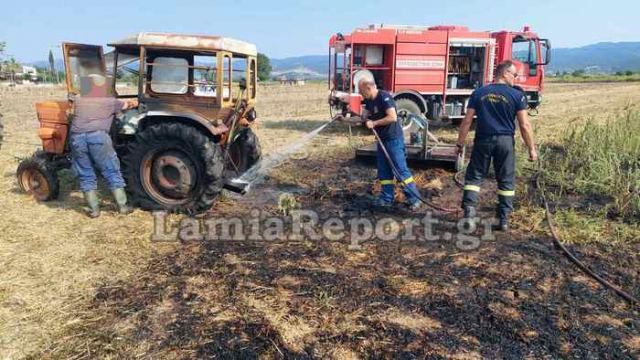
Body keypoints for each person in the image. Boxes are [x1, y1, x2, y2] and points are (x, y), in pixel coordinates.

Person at [456, 60, 538, 231]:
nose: (515, 79)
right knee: (506, 179)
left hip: (483, 140)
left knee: (474, 176)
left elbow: (467, 121)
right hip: (505, 142)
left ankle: (469, 215)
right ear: (504, 73)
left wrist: (460, 143)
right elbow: (524, 125)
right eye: (514, 75)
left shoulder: (479, 93)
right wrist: (531, 148)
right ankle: (503, 220)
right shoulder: (517, 96)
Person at [335, 78, 422, 210]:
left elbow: (392, 117)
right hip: (382, 141)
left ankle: (414, 199)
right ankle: (387, 198)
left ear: (369, 88)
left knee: (400, 170)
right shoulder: (370, 101)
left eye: (361, 91)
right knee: (384, 171)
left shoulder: (384, 97)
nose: (361, 94)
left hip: (393, 140)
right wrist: (344, 120)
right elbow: (363, 118)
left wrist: (374, 123)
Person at [70, 75, 138, 218]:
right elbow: (127, 105)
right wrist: (137, 101)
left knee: (85, 174)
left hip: (77, 138)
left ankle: (94, 210)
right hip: (97, 137)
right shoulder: (108, 101)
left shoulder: (79, 99)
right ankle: (123, 206)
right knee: (111, 170)